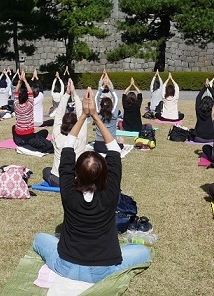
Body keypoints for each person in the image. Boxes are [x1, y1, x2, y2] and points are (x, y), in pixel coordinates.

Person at [33, 87, 151, 283]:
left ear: (75, 173)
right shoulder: (110, 192)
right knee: (142, 252)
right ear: (105, 173)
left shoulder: (68, 191)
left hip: (67, 266)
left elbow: (67, 148)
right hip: (103, 270)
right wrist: (94, 116)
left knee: (40, 238)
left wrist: (82, 117)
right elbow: (114, 150)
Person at [43, 79, 86, 187]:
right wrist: (74, 94)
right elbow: (82, 115)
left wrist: (67, 94)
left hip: (57, 180)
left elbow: (58, 114)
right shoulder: (80, 136)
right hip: (75, 179)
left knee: (46, 170)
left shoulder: (57, 136)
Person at [12, 69, 53, 154]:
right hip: (29, 137)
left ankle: (23, 144)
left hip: (19, 137)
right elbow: (30, 91)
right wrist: (25, 81)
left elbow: (16, 91)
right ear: (27, 98)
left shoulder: (16, 104)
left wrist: (20, 81)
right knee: (48, 145)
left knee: (43, 132)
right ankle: (27, 146)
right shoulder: (30, 105)